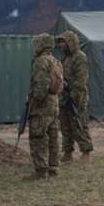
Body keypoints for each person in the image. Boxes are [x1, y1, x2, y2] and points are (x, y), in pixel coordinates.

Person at [23, 33, 61, 181]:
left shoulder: (40, 61)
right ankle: (53, 168)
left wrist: (34, 103)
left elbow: (42, 84)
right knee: (52, 136)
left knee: (38, 137)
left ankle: (40, 172)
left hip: (42, 105)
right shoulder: (54, 60)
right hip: (54, 103)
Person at [57, 30, 94, 163]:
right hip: (64, 98)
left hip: (77, 99)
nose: (61, 45)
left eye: (63, 42)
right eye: (60, 42)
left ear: (70, 43)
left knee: (79, 125)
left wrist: (72, 97)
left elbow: (81, 80)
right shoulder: (64, 59)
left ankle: (86, 151)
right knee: (65, 127)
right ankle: (67, 152)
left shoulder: (80, 57)